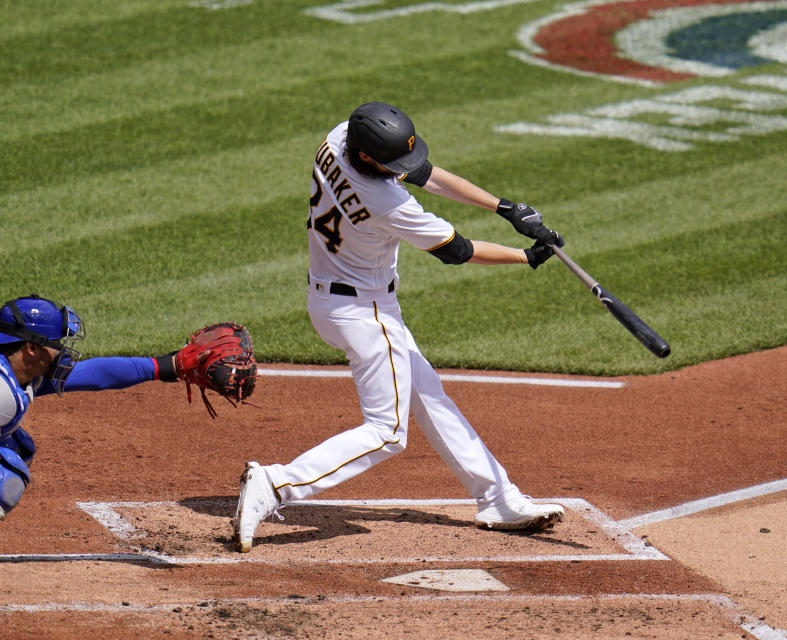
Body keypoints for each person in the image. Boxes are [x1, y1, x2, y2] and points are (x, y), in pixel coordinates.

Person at [234, 102, 566, 552]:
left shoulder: (338, 139)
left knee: (428, 394)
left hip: (330, 299)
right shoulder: (385, 203)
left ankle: (498, 498)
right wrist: (526, 255)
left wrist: (506, 207)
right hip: (366, 314)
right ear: (369, 158)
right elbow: (458, 250)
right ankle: (276, 484)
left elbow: (424, 172)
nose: (400, 170)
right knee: (386, 432)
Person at [0, 295, 188, 519]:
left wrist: (167, 366)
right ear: (31, 348)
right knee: (6, 475)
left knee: (18, 446)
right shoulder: (4, 393)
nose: (62, 351)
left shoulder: (23, 371)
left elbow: (95, 373)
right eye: (55, 344)